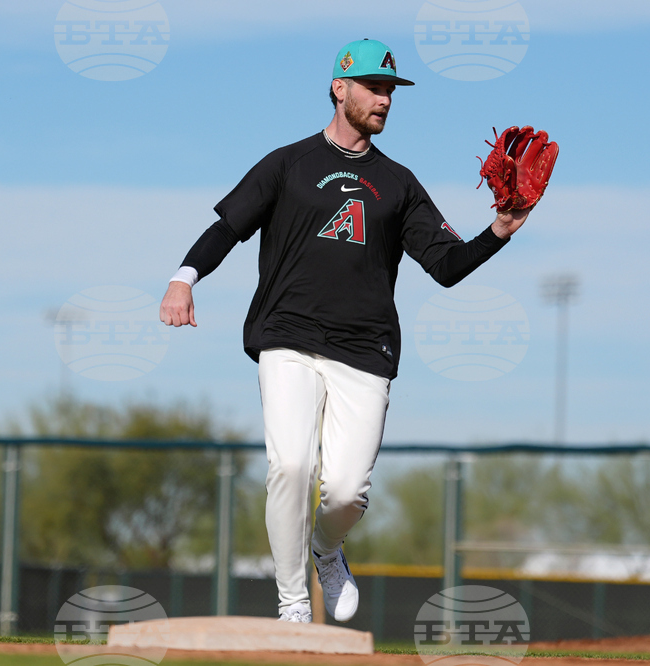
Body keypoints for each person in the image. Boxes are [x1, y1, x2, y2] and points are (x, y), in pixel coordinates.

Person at [159, 38, 530, 624]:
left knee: (346, 493)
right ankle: (292, 604)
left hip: (365, 349)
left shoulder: (399, 183)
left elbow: (448, 268)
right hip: (286, 336)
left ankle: (326, 551)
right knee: (291, 468)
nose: (384, 99)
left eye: (390, 90)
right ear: (340, 88)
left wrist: (501, 228)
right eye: (374, 87)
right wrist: (184, 278)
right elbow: (227, 227)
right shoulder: (288, 163)